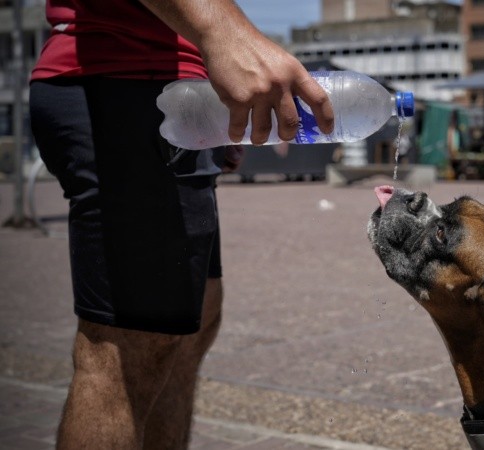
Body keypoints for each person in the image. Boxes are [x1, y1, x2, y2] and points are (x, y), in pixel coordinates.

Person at [28, 1, 334, 448]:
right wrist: (225, 34)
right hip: (126, 82)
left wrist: (216, 104)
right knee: (126, 351)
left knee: (189, 328)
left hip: (176, 101)